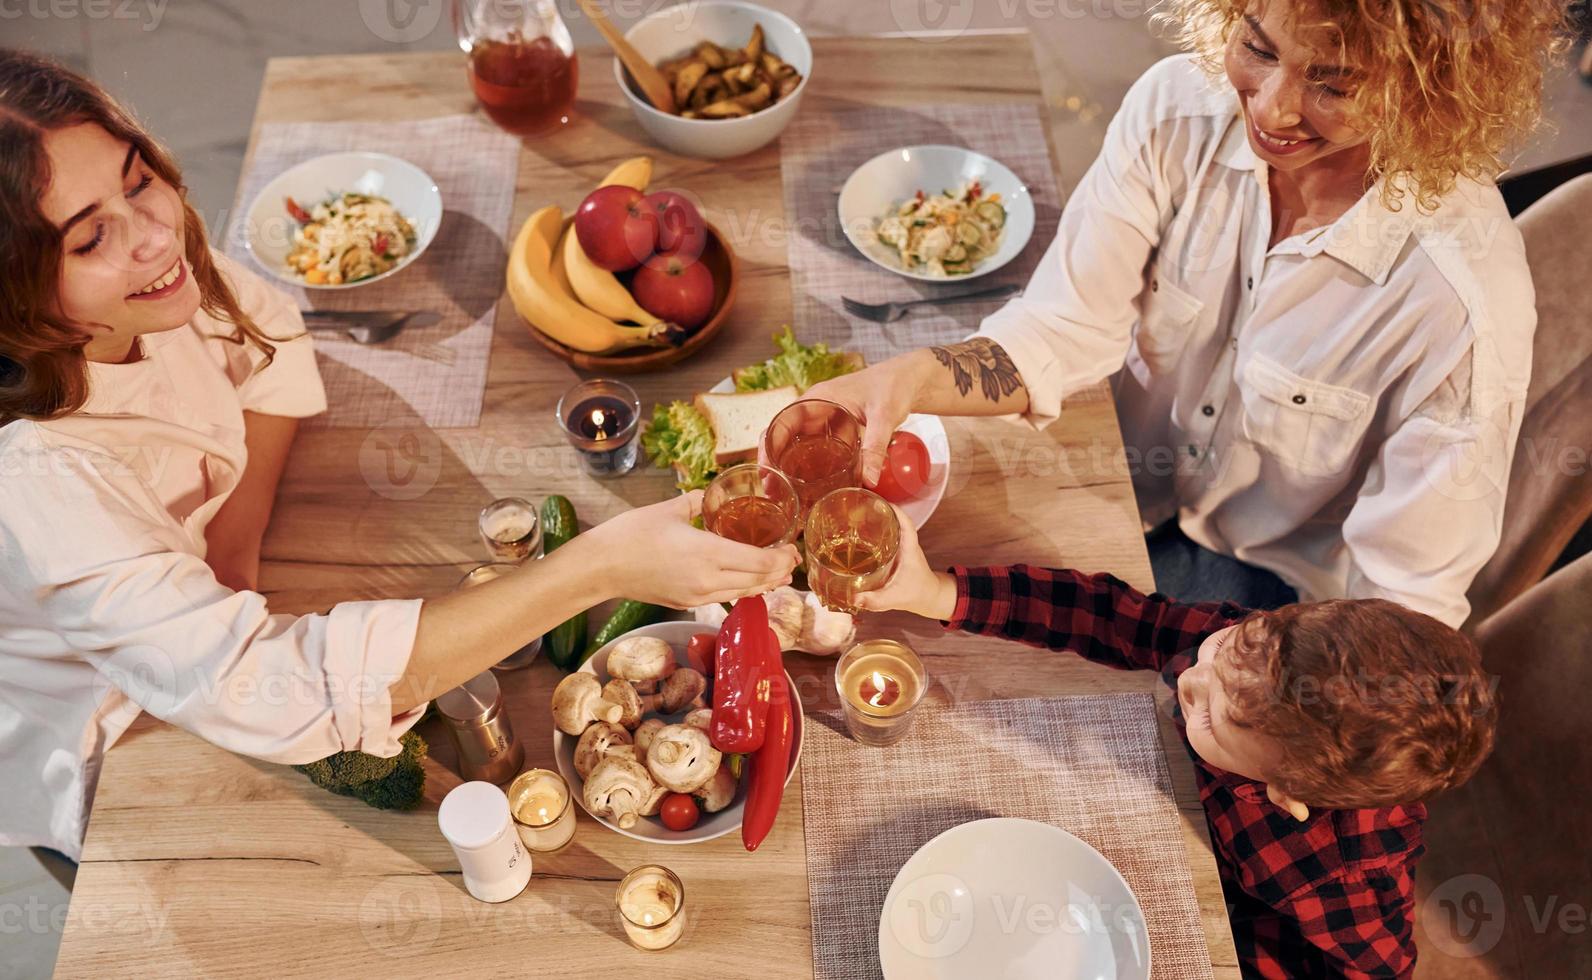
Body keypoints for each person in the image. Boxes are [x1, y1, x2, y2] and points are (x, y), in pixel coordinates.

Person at [0, 50, 797, 862]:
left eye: (138, 181)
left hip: (209, 635)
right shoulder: (37, 482)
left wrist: (232, 555)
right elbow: (276, 693)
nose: (155, 234)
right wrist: (601, 568)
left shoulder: (159, 277)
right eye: (92, 236)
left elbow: (272, 332)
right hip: (109, 733)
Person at [804, 0, 1566, 625]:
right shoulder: (1178, 108)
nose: (1269, 108)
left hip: (1265, 591)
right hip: (1113, 476)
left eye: (1332, 86)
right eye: (1258, 48)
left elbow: (1403, 605)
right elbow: (1065, 329)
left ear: (1428, 86)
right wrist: (906, 378)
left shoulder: (1462, 302)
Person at [861, 514, 1497, 977]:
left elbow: (1376, 972)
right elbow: (1113, 618)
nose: (1187, 677)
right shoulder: (1249, 658)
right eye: (1224, 646)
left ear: (1286, 794)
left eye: (1210, 716)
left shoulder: (1344, 871)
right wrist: (936, 592)